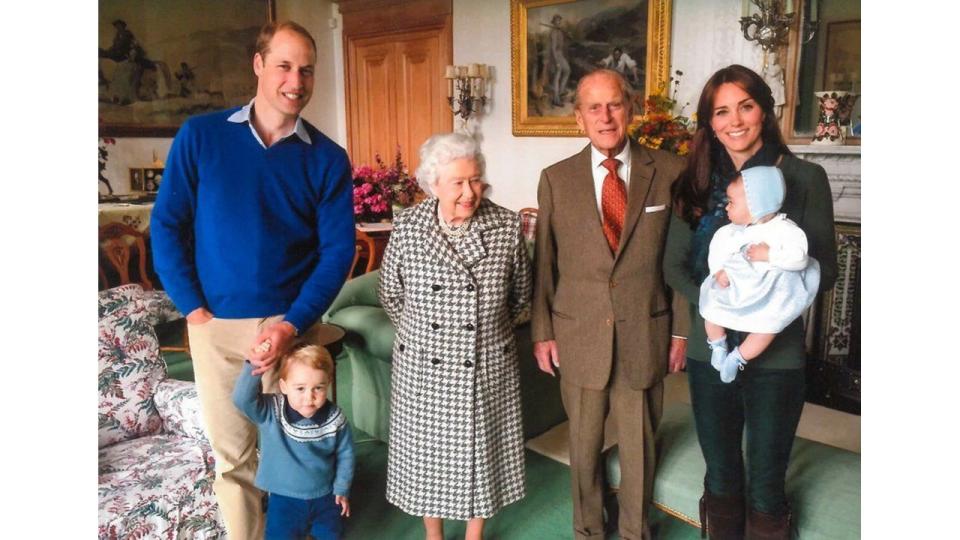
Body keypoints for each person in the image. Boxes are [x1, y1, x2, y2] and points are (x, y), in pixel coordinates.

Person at [151, 21, 355, 540]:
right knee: (234, 461)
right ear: (259, 65)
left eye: (307, 69)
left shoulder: (328, 158)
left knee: (301, 450)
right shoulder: (201, 136)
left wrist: (291, 326)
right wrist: (191, 305)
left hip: (291, 327)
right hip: (215, 326)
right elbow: (167, 223)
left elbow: (337, 253)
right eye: (284, 65)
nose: (296, 80)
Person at [662, 64, 837, 539]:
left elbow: (826, 271)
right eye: (721, 111)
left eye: (746, 106)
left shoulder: (804, 178)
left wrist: (764, 305)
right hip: (709, 349)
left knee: (766, 481)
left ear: (765, 110)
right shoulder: (694, 180)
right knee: (720, 475)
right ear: (709, 121)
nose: (734, 120)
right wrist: (723, 299)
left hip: (777, 354)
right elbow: (673, 267)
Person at [531, 69, 687, 540]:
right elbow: (545, 265)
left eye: (614, 104)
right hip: (578, 333)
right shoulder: (555, 180)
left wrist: (680, 330)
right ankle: (588, 530)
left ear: (631, 110)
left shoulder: (670, 171)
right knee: (583, 444)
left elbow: (682, 262)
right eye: (593, 107)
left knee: (639, 445)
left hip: (646, 329)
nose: (605, 116)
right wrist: (542, 331)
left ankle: (636, 531)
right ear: (579, 119)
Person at [378, 132, 532, 540]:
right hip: (423, 366)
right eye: (458, 183)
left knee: (480, 454)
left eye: (476, 180)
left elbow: (521, 296)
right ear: (433, 185)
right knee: (429, 457)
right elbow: (390, 292)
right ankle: (433, 533)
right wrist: (420, 337)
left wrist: (487, 332)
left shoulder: (504, 224)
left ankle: (474, 533)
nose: (469, 192)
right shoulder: (409, 225)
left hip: (484, 362)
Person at [700, 166, 821, 382]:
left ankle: (738, 358)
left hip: (768, 293)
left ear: (757, 204)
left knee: (769, 326)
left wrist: (770, 255)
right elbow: (716, 253)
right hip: (734, 286)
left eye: (732, 202)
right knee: (710, 308)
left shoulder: (786, 230)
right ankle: (718, 344)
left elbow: (799, 258)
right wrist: (718, 271)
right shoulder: (728, 231)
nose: (726, 207)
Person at [232, 344, 355, 539]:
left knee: (332, 534)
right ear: (283, 386)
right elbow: (242, 399)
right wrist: (253, 366)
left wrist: (342, 488)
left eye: (318, 388)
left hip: (326, 496)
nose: (309, 397)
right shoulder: (270, 411)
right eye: (300, 388)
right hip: (284, 500)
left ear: (328, 383)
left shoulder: (335, 418)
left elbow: (346, 454)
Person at [547, 14, 571, 107]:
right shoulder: (553, 32)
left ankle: (561, 91)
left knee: (567, 70)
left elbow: (566, 40)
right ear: (554, 22)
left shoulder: (560, 32)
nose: (559, 23)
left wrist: (567, 34)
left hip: (560, 54)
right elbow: (553, 48)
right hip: (555, 55)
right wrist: (556, 61)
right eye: (557, 21)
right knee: (557, 76)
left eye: (560, 21)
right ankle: (556, 100)